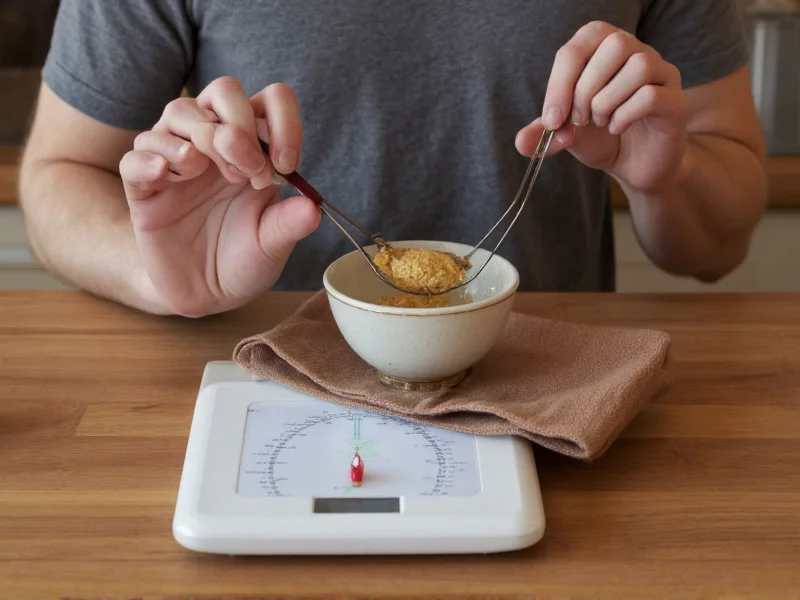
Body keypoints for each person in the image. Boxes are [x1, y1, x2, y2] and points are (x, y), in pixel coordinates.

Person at [18, 1, 767, 317]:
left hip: (546, 409)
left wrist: (667, 174)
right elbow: (60, 174)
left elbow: (716, 246)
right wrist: (157, 274)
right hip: (258, 396)